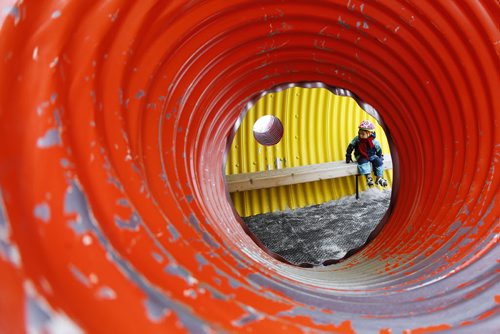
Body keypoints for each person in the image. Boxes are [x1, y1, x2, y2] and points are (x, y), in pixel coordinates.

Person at [345, 120, 388, 187]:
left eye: (363, 134)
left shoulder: (374, 142)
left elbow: (379, 150)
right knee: (364, 163)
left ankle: (379, 178)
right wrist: (348, 155)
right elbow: (350, 146)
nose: (360, 135)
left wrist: (379, 156)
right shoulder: (357, 139)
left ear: (369, 133)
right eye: (359, 133)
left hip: (372, 155)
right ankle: (368, 177)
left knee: (379, 163)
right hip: (361, 155)